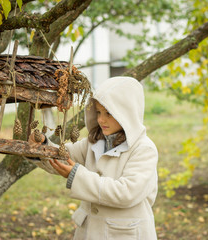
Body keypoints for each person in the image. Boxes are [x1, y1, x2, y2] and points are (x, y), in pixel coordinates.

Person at [29, 76, 158, 240]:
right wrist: (40, 148)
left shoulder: (143, 149)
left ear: (127, 113)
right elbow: (64, 156)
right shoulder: (95, 142)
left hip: (125, 234)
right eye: (98, 112)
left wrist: (76, 175)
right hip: (91, 232)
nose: (100, 119)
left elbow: (126, 193)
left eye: (108, 113)